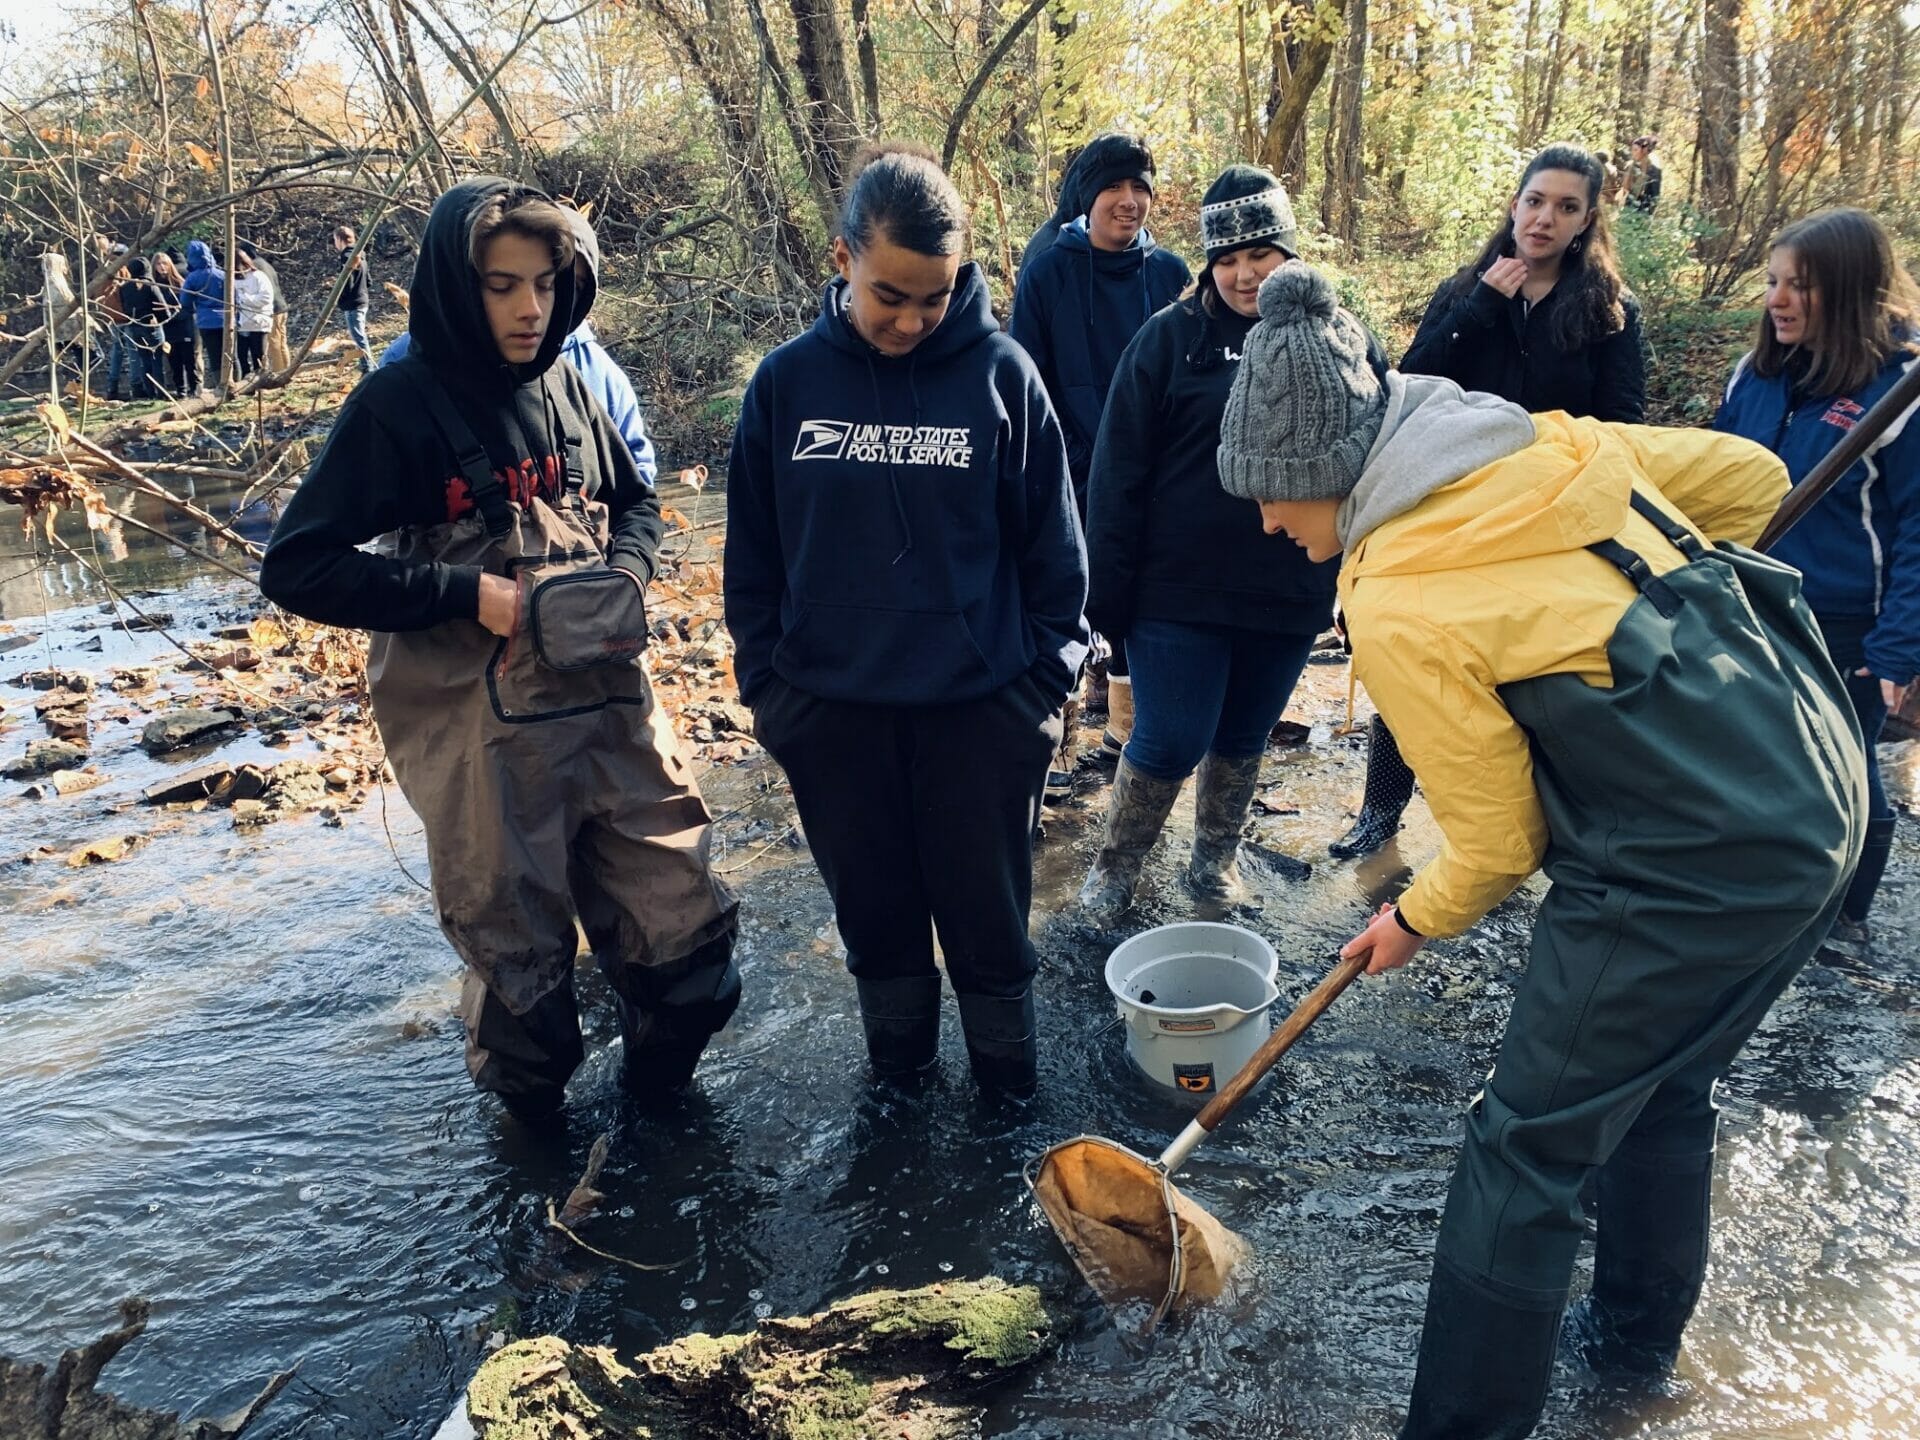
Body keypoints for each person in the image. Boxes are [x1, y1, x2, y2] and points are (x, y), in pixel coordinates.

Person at [1224, 261, 1864, 1440]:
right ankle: (1631, 1357)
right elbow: (1753, 477)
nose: (1266, 520)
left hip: (1688, 862)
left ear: (1330, 471)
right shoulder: (1534, 440)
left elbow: (1501, 842)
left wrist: (1409, 921)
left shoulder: (1398, 598)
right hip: (1817, 791)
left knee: (1522, 1152)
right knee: (1664, 1088)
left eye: (1271, 494)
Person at [261, 178, 740, 1121]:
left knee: (692, 962)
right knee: (531, 1010)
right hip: (483, 744)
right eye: (502, 285)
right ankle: (538, 1185)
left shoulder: (574, 379)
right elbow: (298, 567)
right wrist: (462, 593)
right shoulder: (394, 407)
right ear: (454, 285)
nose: (531, 308)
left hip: (612, 713)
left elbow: (637, 502)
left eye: (548, 283)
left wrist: (632, 576)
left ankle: (655, 1130)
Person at [724, 142, 1088, 1096]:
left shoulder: (1003, 375)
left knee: (990, 925)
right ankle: (900, 1101)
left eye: (936, 297)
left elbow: (1057, 561)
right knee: (877, 926)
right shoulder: (785, 386)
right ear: (842, 259)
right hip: (831, 713)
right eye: (891, 295)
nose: (914, 320)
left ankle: (1007, 1108)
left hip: (980, 714)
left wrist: (1039, 694)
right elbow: (753, 563)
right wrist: (771, 691)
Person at [1077, 165, 1381, 922]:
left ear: (1290, 252)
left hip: (1289, 586)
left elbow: (1376, 455)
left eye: (1261, 253)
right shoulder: (1167, 341)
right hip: (1175, 589)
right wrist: (1105, 597)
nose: (1245, 274)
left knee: (1245, 735)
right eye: (1227, 258)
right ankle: (1113, 870)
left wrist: (1356, 584)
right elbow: (1116, 472)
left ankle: (1214, 864)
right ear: (1208, 262)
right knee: (1172, 735)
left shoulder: (1342, 339)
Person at [1338, 143, 1648, 860]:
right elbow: (1407, 388)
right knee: (1415, 663)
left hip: (1548, 521)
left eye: (1566, 207)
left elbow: (1624, 425)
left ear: (1586, 221)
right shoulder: (1468, 290)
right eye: (1536, 200)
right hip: (1450, 513)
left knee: (1534, 680)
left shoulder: (1609, 312)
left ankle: (1519, 838)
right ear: (1515, 204)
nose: (1545, 218)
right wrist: (1481, 307)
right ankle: (1379, 814)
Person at [1714, 206, 1920, 954]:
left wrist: (1898, 649)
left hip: (1846, 620)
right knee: (1755, 754)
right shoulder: (1756, 374)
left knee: (1844, 767)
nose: (1777, 299)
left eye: (1801, 285)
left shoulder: (1900, 392)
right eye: (1773, 282)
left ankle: (1845, 918)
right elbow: (1711, 476)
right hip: (1747, 598)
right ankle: (1767, 893)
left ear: (1851, 290)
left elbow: (1919, 531)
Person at [1009, 133, 1190, 798]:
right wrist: (1066, 464)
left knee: (1140, 603)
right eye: (1116, 186)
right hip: (1072, 468)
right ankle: (1054, 746)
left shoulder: (1170, 275)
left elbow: (1185, 375)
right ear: (1088, 195)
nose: (1130, 200)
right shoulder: (1048, 270)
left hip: (1154, 474)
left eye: (1141, 187)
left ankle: (1125, 737)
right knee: (1065, 601)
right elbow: (1025, 378)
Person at [380, 219, 658, 489]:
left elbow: (637, 478)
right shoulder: (407, 363)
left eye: (570, 286)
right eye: (505, 286)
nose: (538, 305)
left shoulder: (600, 374)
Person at [117, 257, 172, 399]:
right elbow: (164, 309)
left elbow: (124, 307)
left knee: (144, 360)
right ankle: (161, 393)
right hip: (151, 325)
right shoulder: (150, 286)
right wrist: (161, 319)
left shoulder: (124, 287)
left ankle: (149, 393)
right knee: (156, 361)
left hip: (135, 326)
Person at [180, 239, 227, 389]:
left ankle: (220, 386)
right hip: (226, 319)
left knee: (214, 355)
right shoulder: (222, 275)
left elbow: (185, 301)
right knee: (230, 355)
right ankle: (234, 383)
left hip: (207, 321)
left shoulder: (192, 278)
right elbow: (235, 297)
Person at [238, 239, 290, 373]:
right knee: (281, 343)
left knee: (274, 344)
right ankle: (288, 371)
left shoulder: (255, 268)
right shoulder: (264, 263)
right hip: (281, 307)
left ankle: (279, 375)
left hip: (273, 309)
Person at [151, 252, 198, 396]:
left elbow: (190, 306)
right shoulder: (154, 285)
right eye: (159, 264)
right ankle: (181, 389)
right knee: (174, 361)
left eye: (164, 263)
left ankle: (194, 388)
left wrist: (176, 315)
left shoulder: (181, 283)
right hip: (167, 327)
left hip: (184, 326)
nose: (162, 267)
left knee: (189, 360)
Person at [333, 224, 374, 374]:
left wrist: (338, 297)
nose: (335, 244)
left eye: (335, 240)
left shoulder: (346, 257)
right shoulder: (361, 255)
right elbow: (368, 281)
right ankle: (366, 363)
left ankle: (368, 367)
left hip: (353, 303)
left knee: (358, 337)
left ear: (339, 239)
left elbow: (347, 284)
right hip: (362, 299)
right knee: (359, 335)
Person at [98, 260, 136, 401]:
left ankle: (112, 387)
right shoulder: (121, 269)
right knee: (132, 352)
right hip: (125, 318)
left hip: (112, 318)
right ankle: (135, 385)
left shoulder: (102, 274)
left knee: (117, 351)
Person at [232, 251, 273, 378]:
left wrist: (244, 298)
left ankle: (261, 382)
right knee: (241, 356)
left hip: (258, 322)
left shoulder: (258, 276)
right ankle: (245, 383)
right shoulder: (233, 280)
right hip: (241, 324)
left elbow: (265, 298)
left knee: (258, 356)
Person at [1627, 135, 1662, 214]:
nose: (1633, 153)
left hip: (1643, 213)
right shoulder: (1634, 167)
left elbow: (1654, 197)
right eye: (1632, 150)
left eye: (1636, 150)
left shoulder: (1654, 170)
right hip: (1629, 211)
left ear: (1644, 150)